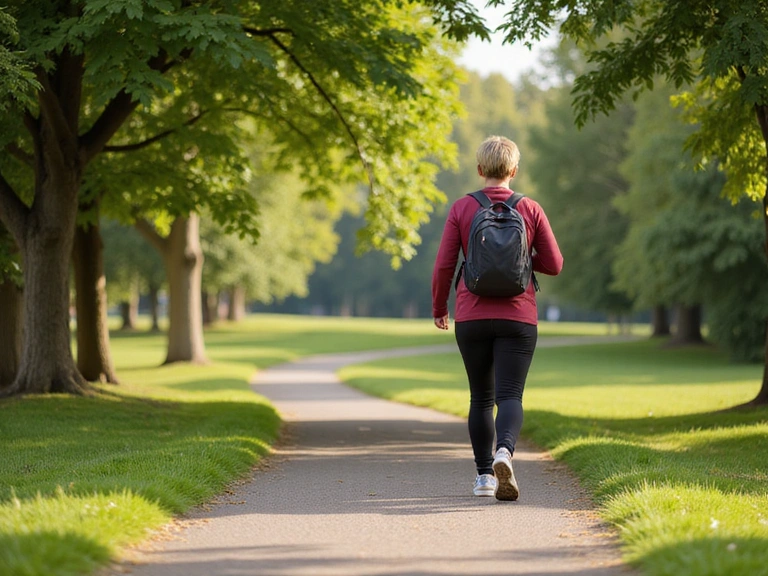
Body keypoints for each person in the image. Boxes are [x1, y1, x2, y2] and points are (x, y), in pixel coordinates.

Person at [431, 135, 563, 501]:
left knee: (480, 398)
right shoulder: (530, 209)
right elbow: (554, 264)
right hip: (519, 318)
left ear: (479, 169)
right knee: (510, 396)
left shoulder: (462, 208)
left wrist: (440, 307)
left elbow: (444, 264)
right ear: (514, 170)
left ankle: (484, 476)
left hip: (471, 316)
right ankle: (505, 450)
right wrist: (521, 262)